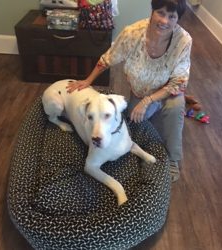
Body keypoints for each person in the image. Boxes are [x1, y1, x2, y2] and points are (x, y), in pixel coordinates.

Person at [67, 0, 192, 182]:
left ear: (177, 19)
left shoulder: (184, 41)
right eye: (161, 13)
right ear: (152, 11)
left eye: (171, 16)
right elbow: (107, 58)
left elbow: (179, 82)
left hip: (167, 92)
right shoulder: (132, 33)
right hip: (139, 92)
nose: (164, 21)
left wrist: (148, 101)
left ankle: (173, 159)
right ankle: (154, 111)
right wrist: (87, 80)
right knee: (133, 123)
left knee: (174, 107)